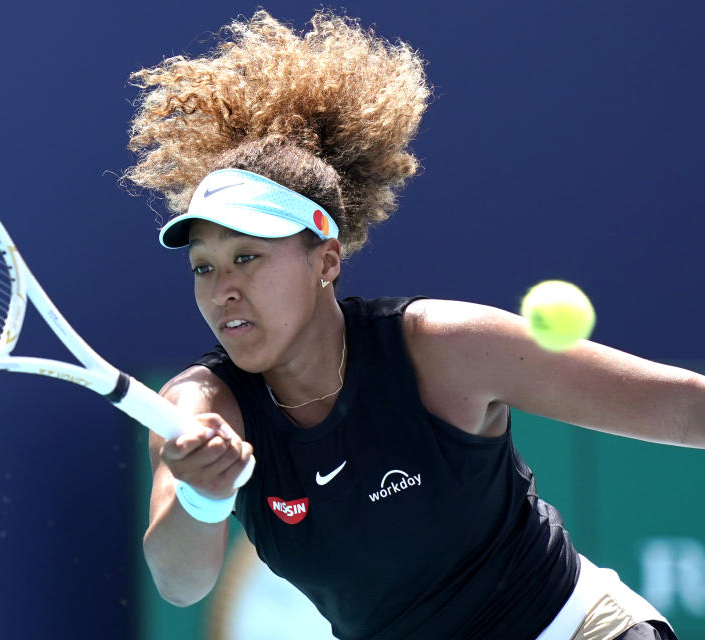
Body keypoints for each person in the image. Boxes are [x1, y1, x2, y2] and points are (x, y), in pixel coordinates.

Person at [123, 10, 699, 640]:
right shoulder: (202, 407)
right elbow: (180, 585)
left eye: (247, 258)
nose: (223, 288)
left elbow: (677, 410)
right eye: (203, 268)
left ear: (327, 260)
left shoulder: (441, 349)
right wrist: (202, 495)